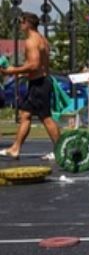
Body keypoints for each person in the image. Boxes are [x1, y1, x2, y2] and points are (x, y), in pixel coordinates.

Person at [0, 13, 60, 160]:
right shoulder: (42, 39)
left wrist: (12, 70)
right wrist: (23, 74)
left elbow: (34, 65)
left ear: (27, 23)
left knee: (46, 117)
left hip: (39, 84)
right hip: (39, 81)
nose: (19, 24)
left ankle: (60, 150)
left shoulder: (31, 41)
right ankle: (15, 148)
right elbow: (40, 66)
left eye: (21, 21)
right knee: (25, 115)